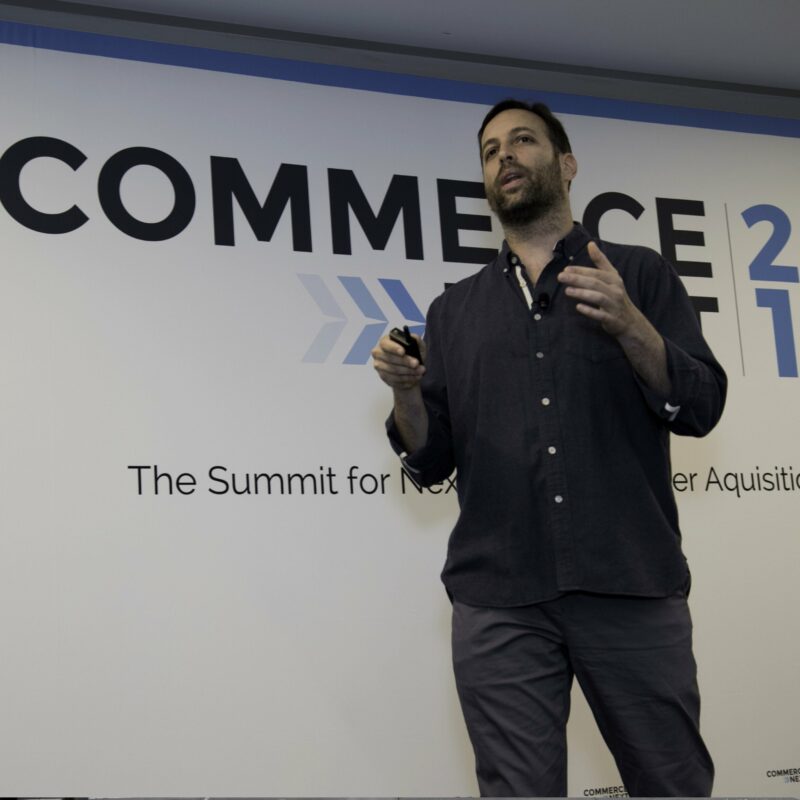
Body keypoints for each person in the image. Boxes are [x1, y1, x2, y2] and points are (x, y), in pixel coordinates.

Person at [372, 98, 726, 797]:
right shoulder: (453, 311)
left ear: (566, 164)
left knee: (674, 785)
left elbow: (701, 406)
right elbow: (431, 460)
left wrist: (631, 326)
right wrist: (406, 393)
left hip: (629, 583)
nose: (504, 155)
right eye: (490, 150)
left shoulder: (638, 275)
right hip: (499, 600)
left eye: (523, 140)